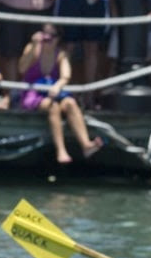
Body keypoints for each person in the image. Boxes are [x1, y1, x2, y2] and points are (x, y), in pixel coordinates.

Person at [18, 23, 102, 163]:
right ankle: (61, 150)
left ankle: (86, 145)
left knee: (70, 103)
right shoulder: (32, 48)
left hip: (54, 91)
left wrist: (57, 86)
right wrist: (34, 46)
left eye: (52, 35)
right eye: (45, 34)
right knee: (53, 106)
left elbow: (65, 76)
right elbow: (22, 69)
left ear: (58, 38)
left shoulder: (61, 54)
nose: (47, 38)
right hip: (34, 93)